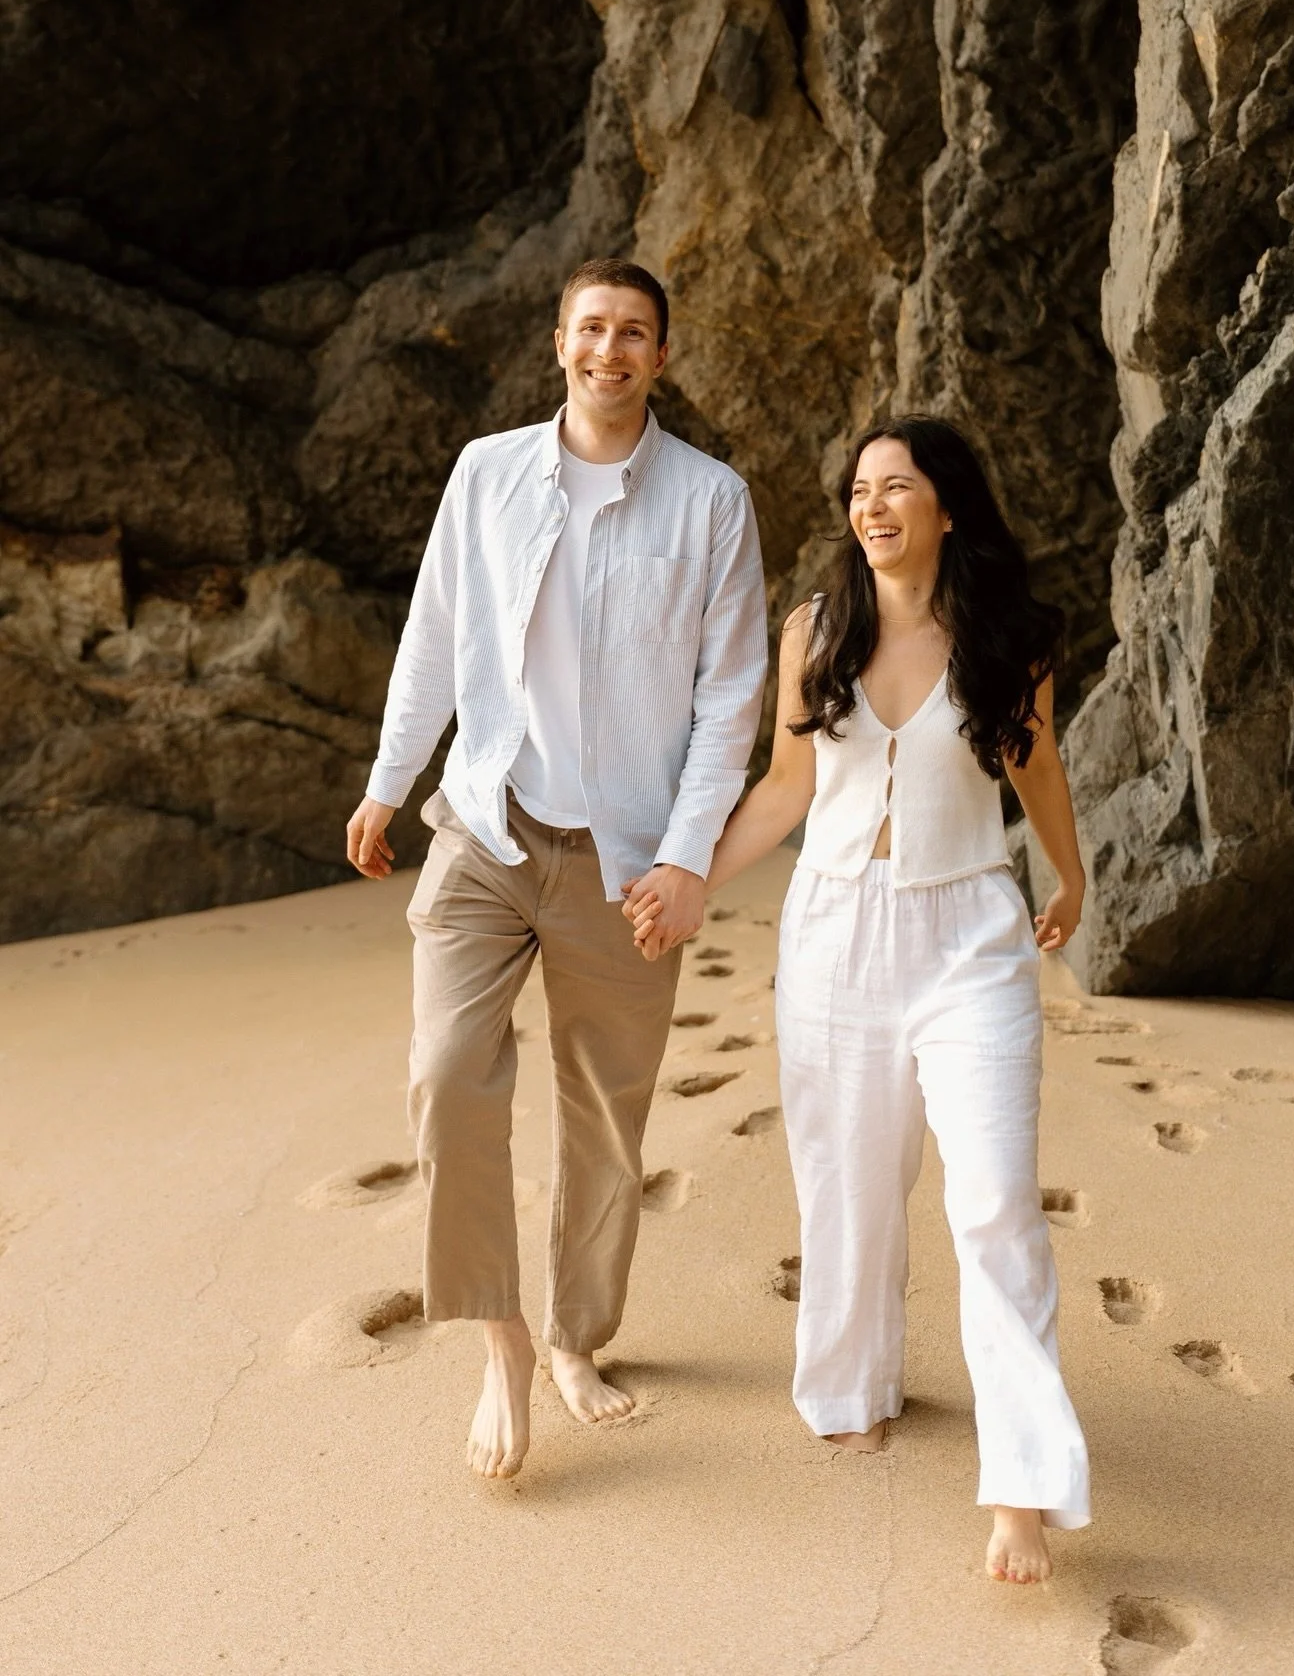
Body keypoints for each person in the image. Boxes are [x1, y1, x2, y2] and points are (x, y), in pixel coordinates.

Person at [628, 415, 1091, 1582]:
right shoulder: (814, 633)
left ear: (945, 506)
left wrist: (1070, 873)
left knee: (992, 1201)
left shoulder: (1005, 638)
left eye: (897, 486)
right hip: (834, 932)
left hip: (971, 934)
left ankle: (1022, 1486)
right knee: (846, 1180)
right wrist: (690, 880)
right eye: (858, 491)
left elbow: (1034, 763)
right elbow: (784, 790)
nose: (872, 507)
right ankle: (850, 1381)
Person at [346, 257, 768, 1480]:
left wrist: (689, 859)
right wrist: (389, 779)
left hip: (623, 861)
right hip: (485, 825)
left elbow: (732, 694)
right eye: (592, 328)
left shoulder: (711, 503)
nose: (610, 350)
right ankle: (504, 1343)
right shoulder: (486, 474)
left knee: (605, 1124)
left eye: (635, 333)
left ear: (662, 357)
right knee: (445, 1074)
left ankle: (582, 1342)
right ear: (558, 343)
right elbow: (433, 630)